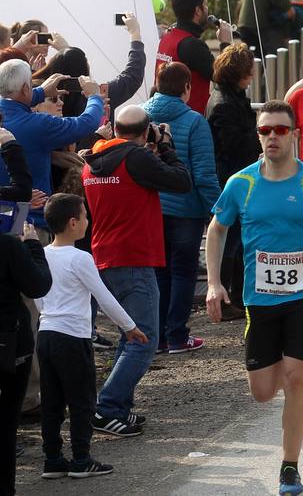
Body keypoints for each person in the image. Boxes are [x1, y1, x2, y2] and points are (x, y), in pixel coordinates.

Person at [205, 101, 303, 496]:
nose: (272, 136)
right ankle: (287, 392)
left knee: (297, 379)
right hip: (260, 298)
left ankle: (290, 466)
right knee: (263, 391)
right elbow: (217, 230)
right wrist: (214, 283)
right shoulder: (242, 183)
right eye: (265, 130)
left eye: (280, 130)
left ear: (295, 135)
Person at [81, 104, 190, 436]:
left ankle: (119, 408)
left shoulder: (93, 160)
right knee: (144, 338)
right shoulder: (136, 158)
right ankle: (107, 407)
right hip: (135, 259)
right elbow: (181, 182)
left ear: (114, 130)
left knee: (129, 335)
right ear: (145, 134)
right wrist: (167, 147)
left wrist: (148, 149)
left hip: (105, 258)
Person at [37, 194, 147, 480]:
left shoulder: (42, 254)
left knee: (51, 400)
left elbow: (37, 293)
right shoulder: (80, 258)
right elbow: (104, 297)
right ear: (73, 223)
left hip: (46, 333)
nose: (88, 221)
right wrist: (129, 326)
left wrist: (46, 315)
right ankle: (81, 458)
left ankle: (52, 459)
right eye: (85, 217)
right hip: (73, 336)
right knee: (81, 399)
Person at [143, 62, 220, 354]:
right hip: (186, 209)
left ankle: (159, 337)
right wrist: (219, 210)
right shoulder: (195, 121)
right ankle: (176, 336)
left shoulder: (140, 114)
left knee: (158, 273)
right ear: (187, 87)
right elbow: (203, 173)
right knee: (183, 272)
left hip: (149, 208)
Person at [0, 61, 104, 208]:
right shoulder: (38, 124)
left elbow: (11, 104)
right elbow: (86, 124)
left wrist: (40, 92)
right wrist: (94, 96)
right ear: (25, 89)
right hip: (31, 221)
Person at [206, 43, 261, 317]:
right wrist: (258, 136)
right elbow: (232, 146)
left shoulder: (228, 97)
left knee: (237, 240)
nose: (252, 76)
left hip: (235, 175)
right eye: (249, 72)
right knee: (231, 241)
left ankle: (236, 295)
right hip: (231, 177)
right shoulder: (226, 105)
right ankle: (228, 297)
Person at [0, 206, 49, 496]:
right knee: (6, 422)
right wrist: (32, 246)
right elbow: (39, 284)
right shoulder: (8, 245)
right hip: (8, 346)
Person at [157, 0, 234, 115]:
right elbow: (225, 78)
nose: (207, 11)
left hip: (168, 116)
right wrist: (225, 44)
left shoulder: (167, 37)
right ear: (198, 10)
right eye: (206, 5)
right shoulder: (191, 45)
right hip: (191, 123)